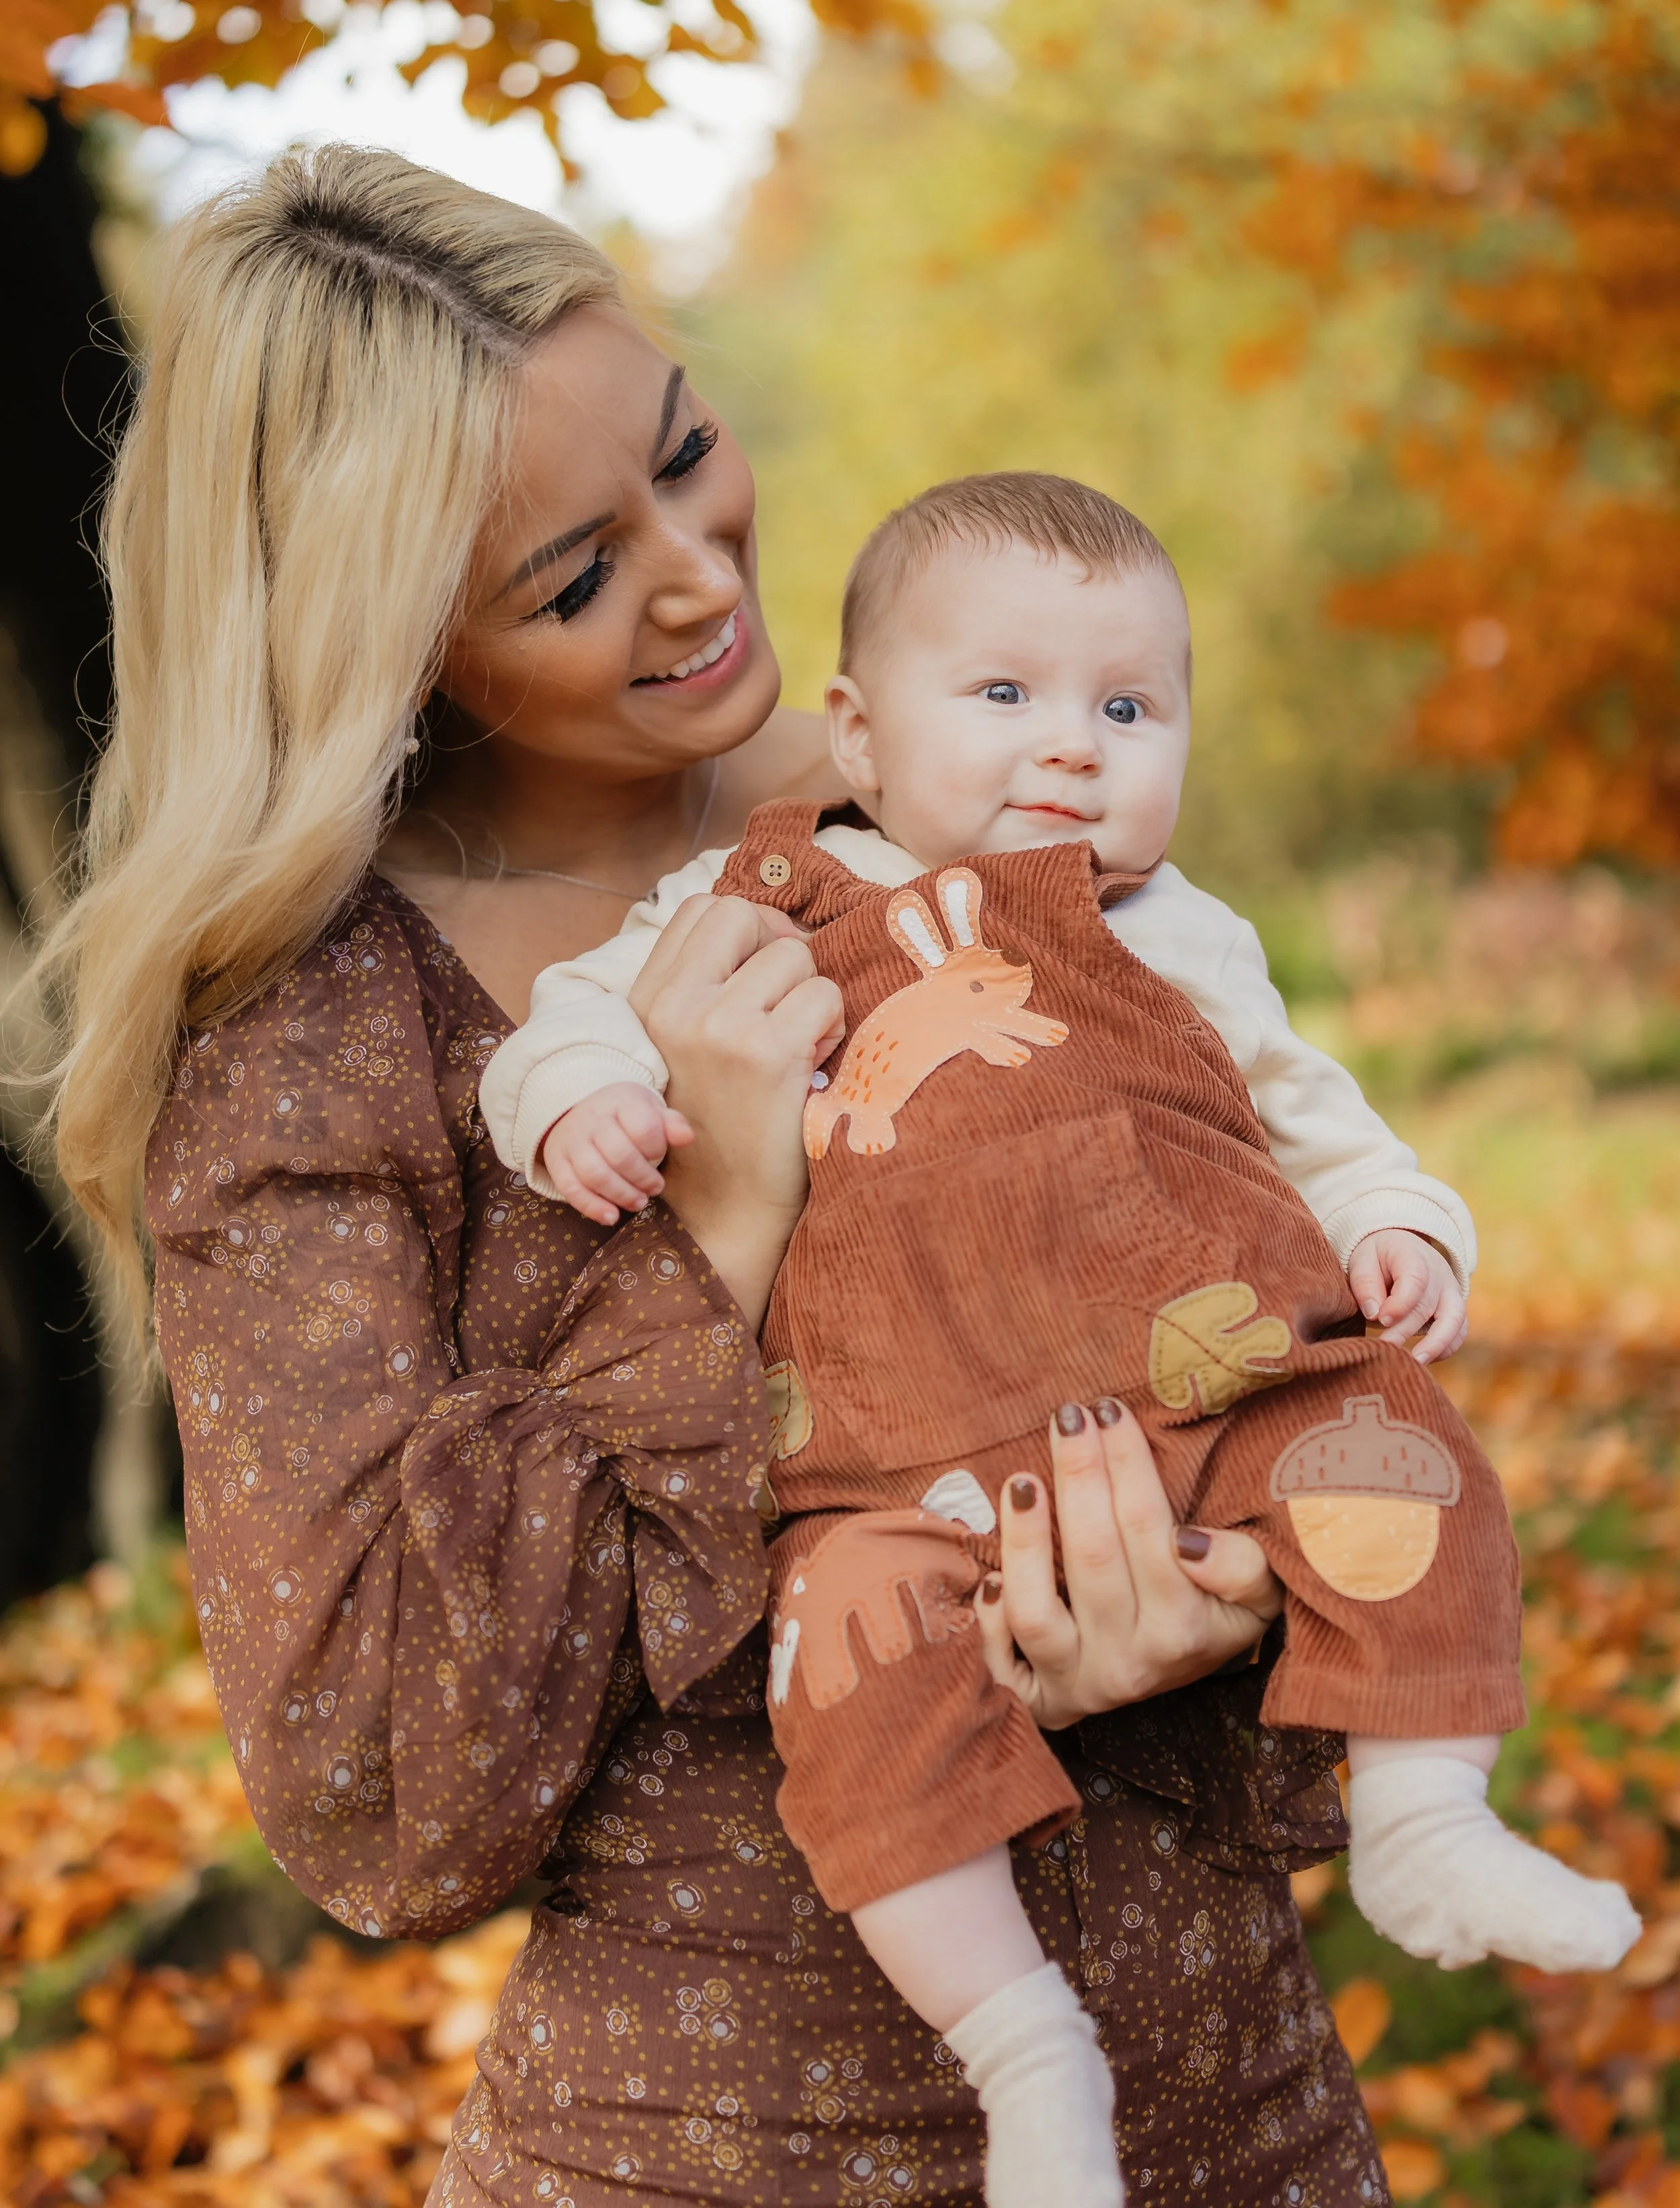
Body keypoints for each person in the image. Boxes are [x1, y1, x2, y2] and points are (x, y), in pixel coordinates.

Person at [37, 146, 1396, 2207]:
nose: (696, 575)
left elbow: (1280, 1307)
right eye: (572, 576)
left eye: (687, 455)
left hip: (1232, 2116)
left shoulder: (947, 783)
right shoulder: (320, 1048)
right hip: (718, 2153)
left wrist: (1216, 1617)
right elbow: (378, 1788)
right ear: (390, 644)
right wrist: (717, 1232)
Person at [479, 473, 1641, 2207]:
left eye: (1129, 706)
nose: (1075, 748)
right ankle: (1026, 2054)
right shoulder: (754, 901)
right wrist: (573, 1094)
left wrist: (1405, 1229)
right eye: (1006, 696)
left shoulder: (1188, 937)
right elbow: (577, 1013)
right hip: (889, 1452)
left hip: (1207, 1384)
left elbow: (1321, 1128)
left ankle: (1423, 1816)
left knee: (1399, 1456)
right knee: (855, 1688)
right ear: (860, 740)